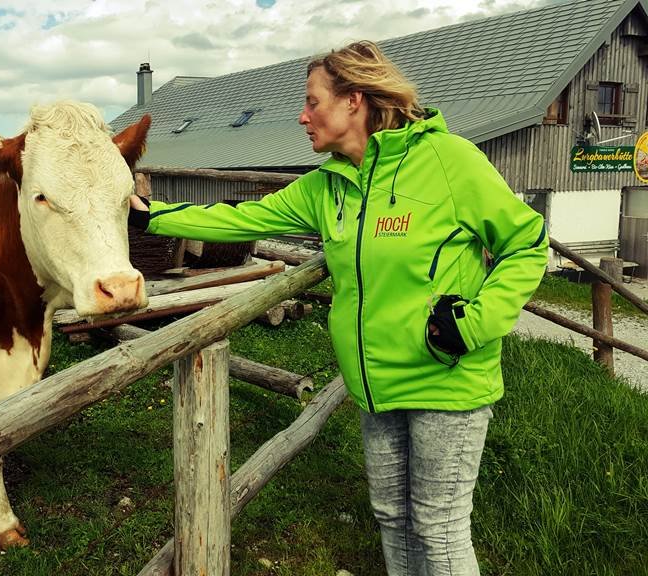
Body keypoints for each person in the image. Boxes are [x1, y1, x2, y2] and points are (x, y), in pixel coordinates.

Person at [128, 40, 547, 576]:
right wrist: (150, 216)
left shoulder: (448, 161)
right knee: (393, 518)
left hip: (447, 377)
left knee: (439, 530)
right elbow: (240, 220)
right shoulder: (327, 187)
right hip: (374, 386)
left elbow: (527, 242)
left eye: (312, 102)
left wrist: (472, 323)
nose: (302, 117)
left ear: (354, 100)